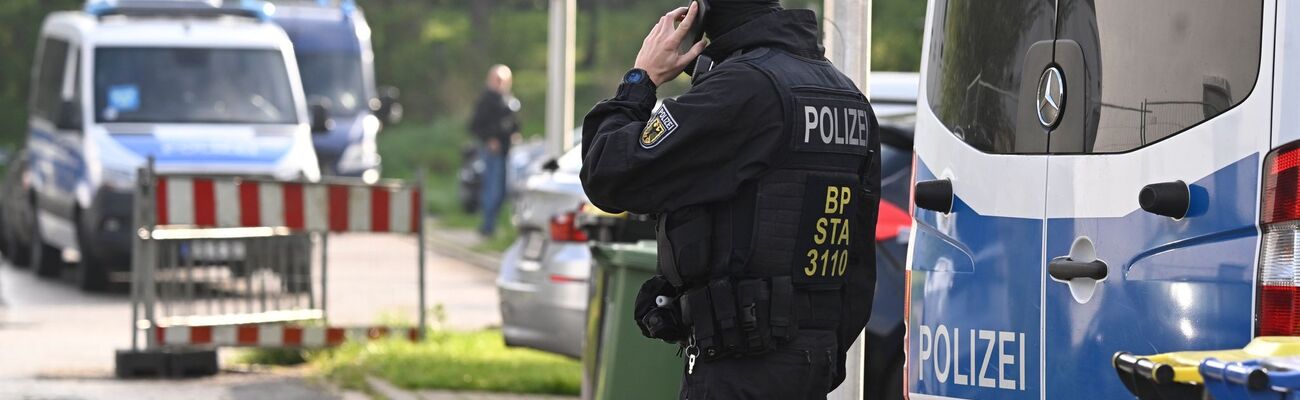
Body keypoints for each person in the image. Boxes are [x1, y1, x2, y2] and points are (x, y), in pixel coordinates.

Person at [579, 0, 881, 398]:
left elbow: (608, 173)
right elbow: (857, 261)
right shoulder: (848, 96)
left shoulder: (744, 89)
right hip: (808, 368)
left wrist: (641, 80)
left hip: (739, 368)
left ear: (699, 10)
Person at [469, 64, 521, 238]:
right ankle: (488, 226)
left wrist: (514, 134)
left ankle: (497, 225)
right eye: (497, 79)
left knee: (503, 190)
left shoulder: (508, 99)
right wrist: (489, 140)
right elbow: (475, 125)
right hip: (493, 152)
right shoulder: (486, 100)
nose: (499, 83)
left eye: (503, 80)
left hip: (507, 150)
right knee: (492, 189)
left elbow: (512, 123)